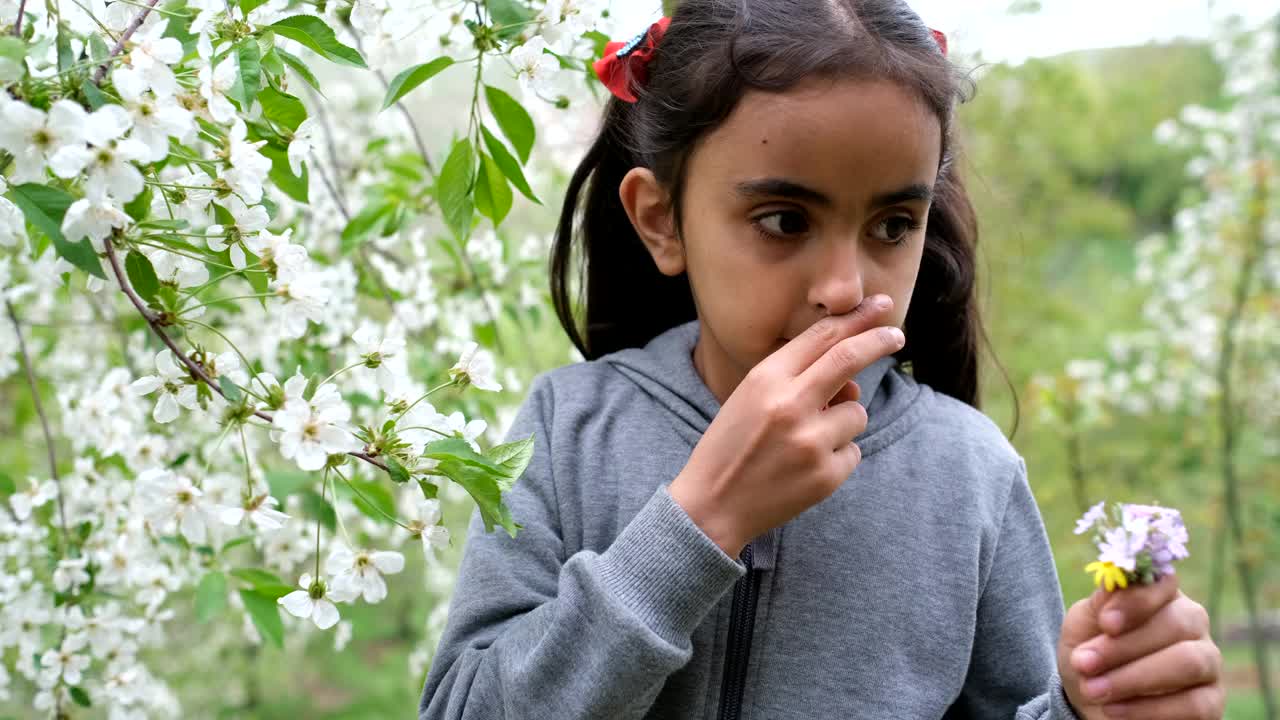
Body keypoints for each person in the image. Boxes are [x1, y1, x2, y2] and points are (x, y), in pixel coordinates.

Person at [419, 1, 1225, 718]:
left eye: (892, 226)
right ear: (661, 221)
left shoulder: (970, 473)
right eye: (783, 220)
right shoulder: (568, 429)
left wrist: (1091, 707)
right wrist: (699, 523)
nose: (845, 289)